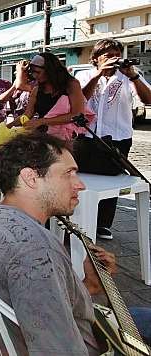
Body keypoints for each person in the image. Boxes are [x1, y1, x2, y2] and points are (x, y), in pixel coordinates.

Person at [0, 131, 151, 354]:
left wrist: (90, 285)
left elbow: (41, 303)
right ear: (31, 178)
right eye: (69, 173)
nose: (80, 185)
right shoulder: (37, 251)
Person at [76, 39, 151, 240]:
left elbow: (148, 99)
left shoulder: (129, 76)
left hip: (118, 137)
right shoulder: (84, 75)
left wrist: (133, 76)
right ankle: (80, 218)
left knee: (112, 180)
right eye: (108, 55)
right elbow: (80, 99)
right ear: (95, 58)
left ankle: (103, 224)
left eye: (117, 54)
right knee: (83, 178)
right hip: (88, 136)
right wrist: (98, 75)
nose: (114, 58)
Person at [8, 53, 87, 142]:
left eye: (37, 72)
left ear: (50, 70)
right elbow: (27, 115)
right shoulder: (37, 89)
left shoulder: (71, 84)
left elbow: (77, 114)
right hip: (44, 138)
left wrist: (41, 121)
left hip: (67, 139)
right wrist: (8, 126)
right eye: (32, 72)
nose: (34, 76)